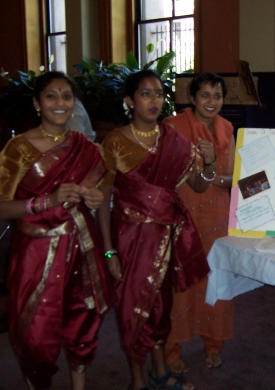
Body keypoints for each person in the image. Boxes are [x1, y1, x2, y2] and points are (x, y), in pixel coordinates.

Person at [0, 71, 112, 390]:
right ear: (37, 103)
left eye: (67, 96)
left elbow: (97, 195)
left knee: (82, 320)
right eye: (51, 96)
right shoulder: (18, 148)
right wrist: (45, 202)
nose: (60, 103)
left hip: (81, 249)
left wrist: (95, 199)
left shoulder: (85, 147)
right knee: (34, 333)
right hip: (36, 253)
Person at [98, 70, 215, 390]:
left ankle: (160, 371)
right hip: (129, 241)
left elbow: (199, 186)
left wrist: (210, 164)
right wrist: (108, 251)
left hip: (165, 241)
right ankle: (137, 380)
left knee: (161, 308)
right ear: (129, 101)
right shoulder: (115, 141)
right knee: (132, 311)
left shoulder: (173, 139)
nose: (154, 100)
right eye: (146, 94)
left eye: (159, 94)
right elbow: (103, 200)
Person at [162, 72, 235, 374]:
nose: (211, 102)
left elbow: (234, 178)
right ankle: (171, 351)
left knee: (217, 279)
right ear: (191, 98)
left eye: (217, 96)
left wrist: (215, 172)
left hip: (218, 215)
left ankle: (213, 344)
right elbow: (186, 180)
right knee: (180, 282)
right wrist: (213, 172)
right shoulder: (173, 127)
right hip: (184, 214)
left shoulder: (228, 128)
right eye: (205, 95)